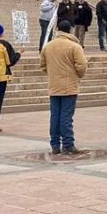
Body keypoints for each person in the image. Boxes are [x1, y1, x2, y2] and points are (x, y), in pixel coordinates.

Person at [39, 20, 88, 154]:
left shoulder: (48, 46)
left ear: (58, 30)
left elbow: (42, 65)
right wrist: (77, 75)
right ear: (70, 30)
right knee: (66, 116)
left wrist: (53, 74)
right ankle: (68, 143)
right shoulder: (74, 46)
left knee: (55, 116)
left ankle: (55, 145)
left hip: (54, 86)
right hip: (69, 86)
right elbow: (82, 66)